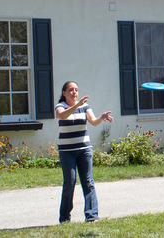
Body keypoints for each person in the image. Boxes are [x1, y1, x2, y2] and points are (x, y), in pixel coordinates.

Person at [55, 81, 113, 223]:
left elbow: (93, 121)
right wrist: (77, 105)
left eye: (76, 90)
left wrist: (101, 117)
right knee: (70, 182)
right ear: (64, 93)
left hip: (84, 150)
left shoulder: (85, 107)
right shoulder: (60, 107)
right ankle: (64, 218)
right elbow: (62, 116)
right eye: (71, 90)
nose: (74, 92)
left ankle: (92, 216)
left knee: (88, 181)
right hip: (67, 151)